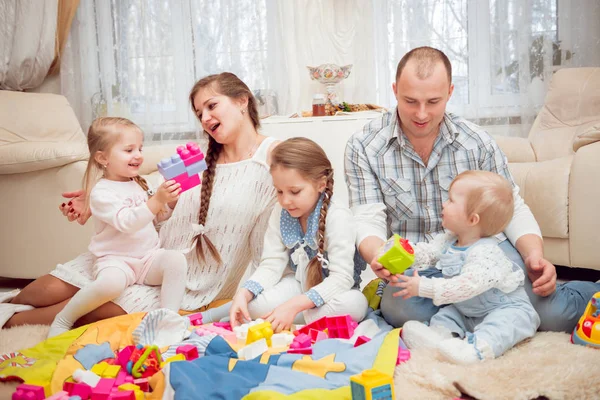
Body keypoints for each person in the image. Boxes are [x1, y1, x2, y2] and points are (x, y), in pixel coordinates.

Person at [344, 46, 600, 333]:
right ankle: (477, 310)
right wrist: (377, 254)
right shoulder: (363, 146)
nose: (421, 113)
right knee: (399, 307)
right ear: (394, 90)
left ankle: (586, 291)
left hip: (484, 254)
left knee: (552, 317)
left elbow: (512, 207)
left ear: (450, 92)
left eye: (433, 101)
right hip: (422, 262)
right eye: (410, 101)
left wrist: (533, 255)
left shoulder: (476, 141)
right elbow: (367, 217)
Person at [1, 72, 279, 329]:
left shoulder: (273, 155)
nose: (205, 118)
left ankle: (14, 322)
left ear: (242, 101)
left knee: (99, 307)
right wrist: (103, 198)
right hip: (139, 249)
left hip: (189, 274)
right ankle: (8, 304)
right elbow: (152, 195)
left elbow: (297, 196)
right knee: (51, 286)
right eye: (199, 112)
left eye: (211, 106)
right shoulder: (199, 158)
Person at [47, 117, 187, 337]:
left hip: (148, 257)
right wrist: (156, 201)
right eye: (129, 150)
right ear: (103, 158)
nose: (138, 155)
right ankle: (64, 319)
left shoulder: (139, 183)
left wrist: (168, 203)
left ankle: (167, 319)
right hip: (117, 260)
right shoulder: (101, 192)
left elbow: (154, 218)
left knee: (176, 261)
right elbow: (127, 222)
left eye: (140, 148)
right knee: (111, 285)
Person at [396, 170, 540, 364]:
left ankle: (475, 352)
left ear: (472, 219)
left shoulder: (486, 252)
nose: (444, 204)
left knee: (501, 326)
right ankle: (438, 338)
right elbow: (428, 253)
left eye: (451, 200)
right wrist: (403, 253)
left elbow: (467, 286)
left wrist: (424, 286)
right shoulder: (449, 240)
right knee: (446, 315)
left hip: (505, 308)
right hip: (468, 311)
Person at [229, 138, 367, 332]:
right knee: (253, 306)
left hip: (333, 294)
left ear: (321, 184)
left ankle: (288, 316)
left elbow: (341, 279)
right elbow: (271, 264)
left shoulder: (337, 216)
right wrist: (244, 292)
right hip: (299, 286)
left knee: (356, 304)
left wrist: (293, 306)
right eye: (279, 191)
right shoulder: (281, 211)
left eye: (294, 191)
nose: (285, 200)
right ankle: (295, 318)